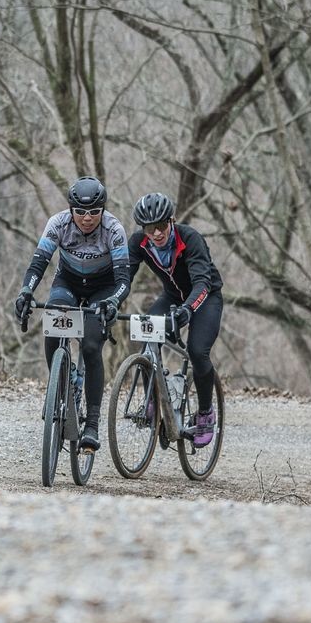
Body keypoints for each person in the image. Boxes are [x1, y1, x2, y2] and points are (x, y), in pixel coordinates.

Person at [13, 176, 130, 451]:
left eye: (94, 212)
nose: (87, 218)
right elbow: (38, 263)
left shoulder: (113, 229)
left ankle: (91, 423)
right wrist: (25, 291)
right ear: (70, 210)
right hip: (68, 283)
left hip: (103, 289)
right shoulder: (58, 224)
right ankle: (62, 383)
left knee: (90, 346)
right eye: (80, 212)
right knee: (52, 323)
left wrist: (113, 301)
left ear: (103, 210)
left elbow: (124, 278)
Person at [127, 192, 223, 447]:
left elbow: (202, 282)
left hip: (205, 298)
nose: (156, 233)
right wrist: (112, 300)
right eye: (150, 228)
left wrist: (188, 309)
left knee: (197, 351)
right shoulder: (139, 242)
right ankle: (152, 401)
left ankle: (205, 413)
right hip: (171, 296)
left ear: (171, 221)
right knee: (147, 333)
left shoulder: (190, 238)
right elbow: (124, 277)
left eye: (161, 226)